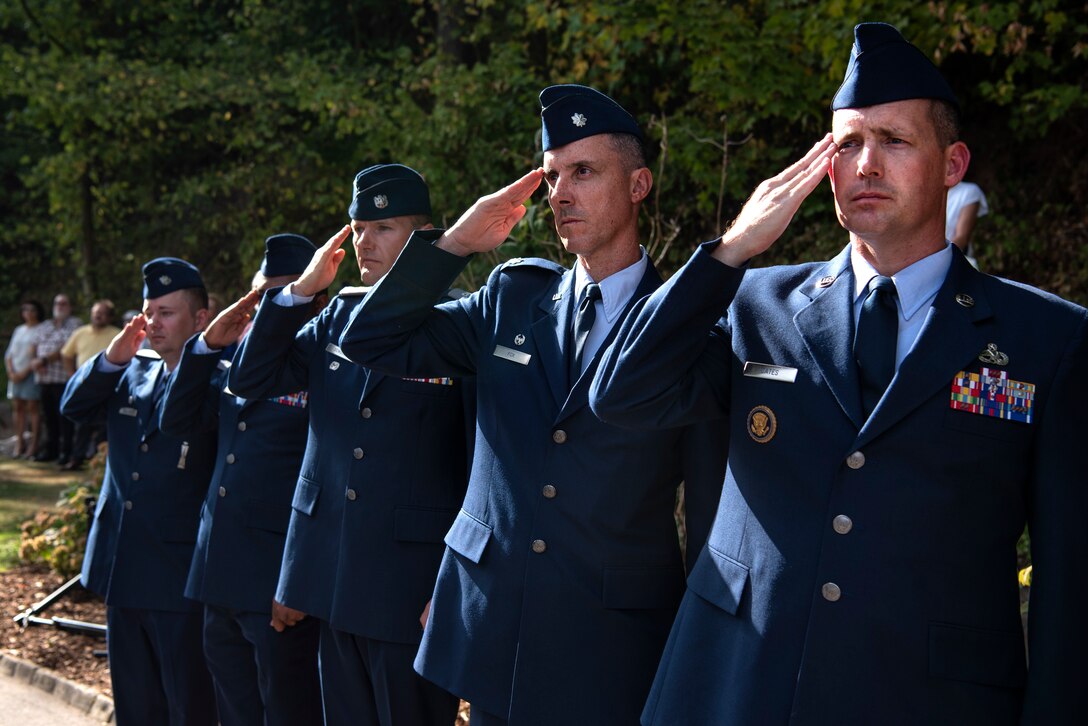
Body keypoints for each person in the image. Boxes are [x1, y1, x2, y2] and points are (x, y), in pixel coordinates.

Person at [590, 22, 1088, 724]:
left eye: (894, 141)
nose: (866, 165)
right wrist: (730, 252)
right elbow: (620, 395)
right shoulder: (759, 301)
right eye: (847, 144)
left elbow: (1070, 582)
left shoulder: (1047, 339)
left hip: (926, 698)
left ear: (952, 165)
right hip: (737, 685)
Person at [337, 87, 729, 725]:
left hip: (610, 642)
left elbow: (710, 511)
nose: (561, 192)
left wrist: (703, 646)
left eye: (584, 171)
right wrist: (456, 244)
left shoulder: (688, 329)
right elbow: (370, 338)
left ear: (639, 184)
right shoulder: (513, 297)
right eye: (551, 176)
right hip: (492, 625)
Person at [227, 164, 472, 726]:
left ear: (427, 236)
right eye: (358, 227)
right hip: (333, 582)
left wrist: (455, 585)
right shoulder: (338, 313)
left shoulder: (462, 321)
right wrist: (298, 293)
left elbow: (481, 466)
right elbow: (250, 379)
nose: (365, 241)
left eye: (383, 227)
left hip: (411, 593)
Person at [159, 234, 324, 726]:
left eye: (283, 292)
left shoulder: (324, 361)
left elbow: (326, 481)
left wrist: (298, 580)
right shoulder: (234, 360)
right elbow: (178, 419)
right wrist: (207, 344)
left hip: (278, 583)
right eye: (261, 293)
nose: (269, 305)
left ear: (313, 297)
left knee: (287, 711)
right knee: (234, 709)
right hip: (220, 571)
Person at [61, 258, 218, 725]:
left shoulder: (219, 379)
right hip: (122, 564)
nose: (154, 322)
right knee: (135, 705)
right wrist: (112, 357)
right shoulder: (132, 373)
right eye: (149, 310)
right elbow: (73, 406)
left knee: (187, 705)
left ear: (200, 319)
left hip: (177, 574)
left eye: (167, 312)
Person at [60, 299, 121, 470]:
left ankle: (99, 463)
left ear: (110, 317)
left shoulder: (118, 334)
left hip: (109, 389)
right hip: (84, 389)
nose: (97, 316)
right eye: (95, 312)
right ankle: (77, 458)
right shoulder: (80, 333)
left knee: (104, 428)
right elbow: (66, 354)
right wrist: (73, 376)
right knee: (81, 427)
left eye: (102, 313)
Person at [30, 293, 81, 463]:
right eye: (57, 303)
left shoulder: (75, 324)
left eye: (63, 303)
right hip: (44, 379)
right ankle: (50, 450)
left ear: (70, 306)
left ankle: (65, 452)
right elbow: (34, 345)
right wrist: (35, 361)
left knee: (64, 418)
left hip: (63, 379)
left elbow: (65, 349)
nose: (60, 306)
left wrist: (43, 360)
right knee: (48, 417)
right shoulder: (44, 325)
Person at [5, 299, 44, 458]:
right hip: (15, 374)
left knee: (33, 409)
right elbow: (9, 354)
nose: (28, 313)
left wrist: (24, 372)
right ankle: (19, 443)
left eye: (32, 309)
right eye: (25, 309)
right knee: (18, 408)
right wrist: (11, 372)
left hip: (31, 374)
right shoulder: (19, 330)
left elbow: (37, 354)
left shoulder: (41, 329)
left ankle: (33, 446)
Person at [945, 179, 989, 267]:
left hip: (953, 262)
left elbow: (961, 237)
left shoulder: (969, 191)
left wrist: (938, 260)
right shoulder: (924, 192)